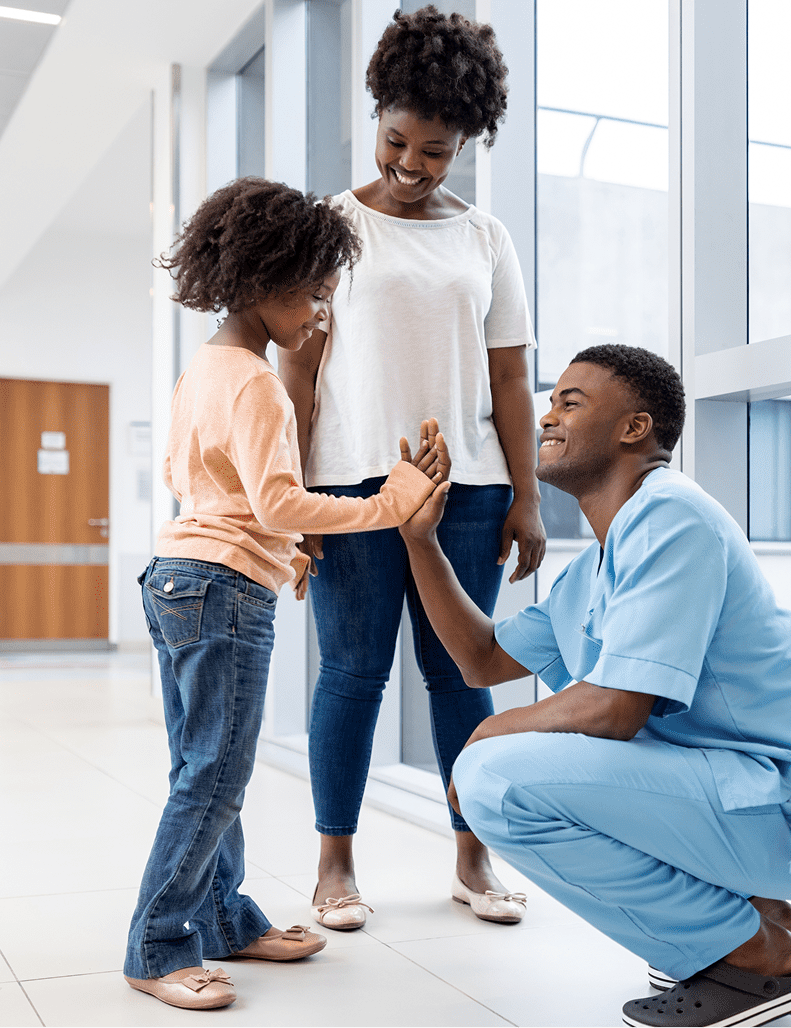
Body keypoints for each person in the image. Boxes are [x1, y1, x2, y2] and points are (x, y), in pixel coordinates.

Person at [396, 345, 791, 1028]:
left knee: (493, 778)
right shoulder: (598, 564)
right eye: (551, 402)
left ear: (634, 428)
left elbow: (616, 709)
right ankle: (753, 916)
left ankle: (747, 956)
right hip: (744, 798)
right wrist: (420, 541)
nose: (547, 416)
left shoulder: (673, 516)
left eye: (572, 402)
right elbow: (480, 660)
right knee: (497, 766)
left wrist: (486, 730)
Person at [125, 177, 452, 1011]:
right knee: (215, 777)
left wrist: (277, 550)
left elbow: (183, 477)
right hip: (225, 592)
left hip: (177, 578)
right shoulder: (261, 384)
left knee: (204, 767)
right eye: (312, 295)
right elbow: (276, 501)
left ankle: (226, 920)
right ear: (265, 284)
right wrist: (389, 501)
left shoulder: (204, 370)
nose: (319, 316)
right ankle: (159, 946)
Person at [280, 4, 545, 931]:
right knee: (352, 673)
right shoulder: (328, 225)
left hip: (467, 488)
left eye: (434, 151)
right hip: (352, 486)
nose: (409, 165)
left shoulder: (486, 239)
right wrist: (297, 504)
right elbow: (300, 370)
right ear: (378, 116)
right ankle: (334, 865)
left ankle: (474, 856)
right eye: (397, 141)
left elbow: (512, 375)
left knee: (457, 675)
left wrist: (526, 496)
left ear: (464, 144)